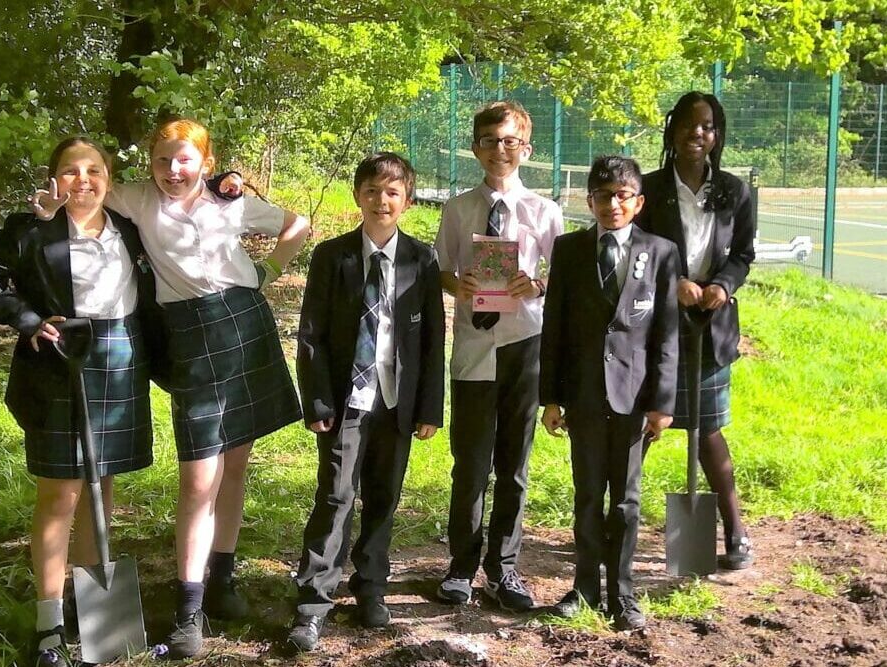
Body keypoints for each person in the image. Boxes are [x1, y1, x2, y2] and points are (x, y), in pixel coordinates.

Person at [33, 119, 311, 657]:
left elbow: (297, 224)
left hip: (243, 321)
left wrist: (268, 270)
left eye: (185, 160)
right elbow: (86, 184)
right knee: (198, 474)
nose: (172, 170)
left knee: (234, 463)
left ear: (205, 163)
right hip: (189, 334)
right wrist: (46, 205)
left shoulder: (230, 204)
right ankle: (189, 609)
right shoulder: (138, 200)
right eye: (163, 160)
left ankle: (222, 579)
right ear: (150, 165)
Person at [0, 137, 164, 664]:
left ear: (109, 179)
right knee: (60, 494)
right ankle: (49, 622)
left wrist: (228, 184)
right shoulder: (34, 230)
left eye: (94, 170)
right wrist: (27, 321)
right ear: (53, 180)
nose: (83, 180)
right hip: (58, 363)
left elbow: (191, 204)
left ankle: (91, 611)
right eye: (71, 171)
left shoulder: (131, 229)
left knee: (102, 486)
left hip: (121, 357)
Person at [287, 152, 446, 653]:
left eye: (393, 192)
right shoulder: (333, 256)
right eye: (372, 191)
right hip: (345, 400)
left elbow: (433, 340)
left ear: (409, 201)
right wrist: (316, 400)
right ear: (358, 195)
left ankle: (371, 587)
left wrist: (428, 409)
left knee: (383, 496)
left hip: (396, 402)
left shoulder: (421, 260)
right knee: (336, 495)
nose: (382, 201)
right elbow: (310, 333)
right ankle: (314, 599)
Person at [538, 156, 679, 632]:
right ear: (589, 201)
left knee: (627, 501)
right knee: (586, 495)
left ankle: (623, 593)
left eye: (622, 195)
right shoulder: (569, 249)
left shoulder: (660, 252)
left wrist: (662, 403)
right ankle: (583, 588)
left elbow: (666, 334)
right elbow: (553, 326)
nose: (612, 204)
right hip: (582, 396)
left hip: (634, 399)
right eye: (603, 195)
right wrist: (551, 398)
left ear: (638, 202)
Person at [434, 101, 563, 610]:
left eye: (510, 141)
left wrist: (537, 285)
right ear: (475, 148)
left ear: (526, 150)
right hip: (472, 347)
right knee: (469, 464)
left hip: (523, 345)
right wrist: (457, 284)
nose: (500, 150)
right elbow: (441, 269)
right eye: (490, 140)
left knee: (513, 465)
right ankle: (460, 567)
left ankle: (504, 570)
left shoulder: (544, 212)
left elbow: (562, 276)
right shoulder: (458, 209)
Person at [637, 91, 759, 569]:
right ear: (672, 131)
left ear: (717, 135)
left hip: (712, 327)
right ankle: (613, 521)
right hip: (655, 327)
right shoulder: (648, 189)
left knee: (708, 428)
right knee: (644, 424)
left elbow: (742, 255)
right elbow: (637, 249)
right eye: (688, 124)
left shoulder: (735, 191)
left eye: (707, 126)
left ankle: (735, 530)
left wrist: (723, 287)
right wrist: (675, 283)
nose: (698, 133)